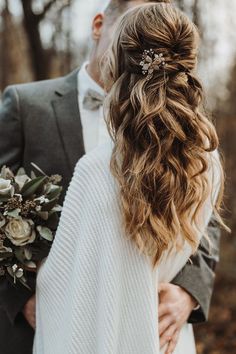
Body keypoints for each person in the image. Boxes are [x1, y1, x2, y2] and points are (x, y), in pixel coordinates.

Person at [0, 1, 220, 354]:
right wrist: (20, 297)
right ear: (100, 25)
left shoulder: (186, 158)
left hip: (147, 328)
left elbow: (205, 231)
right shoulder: (207, 156)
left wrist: (188, 292)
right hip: (59, 326)